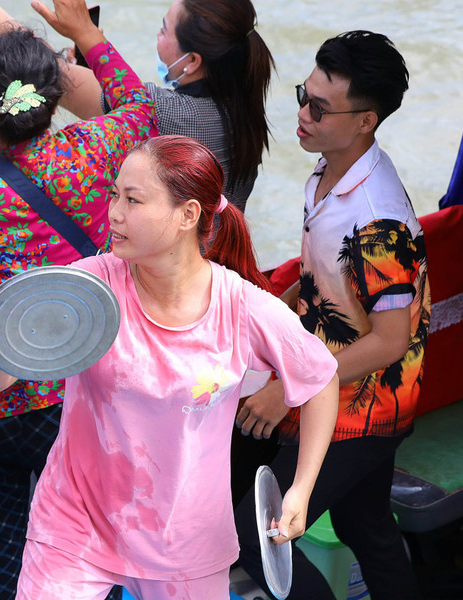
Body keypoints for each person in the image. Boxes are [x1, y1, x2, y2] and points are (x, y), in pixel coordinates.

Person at [0, 134, 340, 599]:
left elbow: (320, 380)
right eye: (115, 195)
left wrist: (301, 490)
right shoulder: (87, 290)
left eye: (134, 200)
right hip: (75, 523)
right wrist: (11, 326)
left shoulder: (241, 307)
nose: (115, 213)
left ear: (188, 215)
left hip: (186, 538)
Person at [0, 1, 155, 598]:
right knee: (87, 538)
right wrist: (85, 34)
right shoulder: (100, 150)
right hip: (88, 386)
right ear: (52, 101)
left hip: (3, 396)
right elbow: (139, 106)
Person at [234, 31, 430, 600]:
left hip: (369, 404)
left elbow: (390, 341)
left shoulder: (378, 221)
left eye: (319, 108)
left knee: (256, 535)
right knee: (362, 525)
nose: (302, 115)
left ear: (366, 120)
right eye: (303, 95)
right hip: (338, 380)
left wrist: (287, 388)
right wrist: (281, 301)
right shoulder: (329, 168)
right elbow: (326, 274)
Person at [0, 0, 274, 212]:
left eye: (164, 30)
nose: (157, 35)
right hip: (218, 272)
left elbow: (39, 70)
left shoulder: (162, 112)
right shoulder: (242, 105)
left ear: (192, 61)